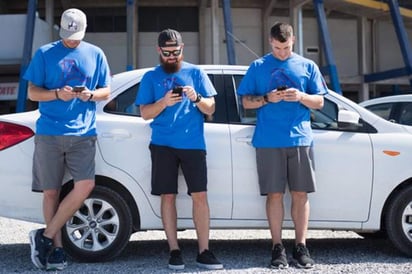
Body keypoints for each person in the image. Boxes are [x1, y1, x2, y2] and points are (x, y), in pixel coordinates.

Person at [23, 8, 111, 271]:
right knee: (51, 192)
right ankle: (57, 251)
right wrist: (56, 94)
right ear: (61, 29)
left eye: (76, 35)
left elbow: (106, 90)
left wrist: (91, 95)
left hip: (83, 133)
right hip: (49, 131)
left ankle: (45, 236)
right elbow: (32, 92)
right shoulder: (44, 53)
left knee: (85, 186)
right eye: (68, 34)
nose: (72, 40)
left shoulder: (96, 54)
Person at [237, 22, 328, 269]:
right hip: (268, 140)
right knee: (274, 195)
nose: (282, 53)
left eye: (286, 48)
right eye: (277, 48)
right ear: (270, 42)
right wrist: (267, 98)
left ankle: (301, 246)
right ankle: (277, 248)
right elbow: (245, 102)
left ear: (293, 41)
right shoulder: (258, 67)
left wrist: (301, 96)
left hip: (300, 138)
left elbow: (319, 102)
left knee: (301, 194)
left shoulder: (307, 66)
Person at [135, 29, 223, 271]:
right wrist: (163, 102)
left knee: (200, 196)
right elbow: (144, 114)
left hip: (193, 143)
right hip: (163, 144)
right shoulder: (151, 77)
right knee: (168, 196)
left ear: (182, 49)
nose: (172, 57)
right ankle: (174, 250)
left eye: (176, 52)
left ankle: (204, 250)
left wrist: (196, 98)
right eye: (167, 53)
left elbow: (210, 107)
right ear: (158, 51)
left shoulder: (195, 73)